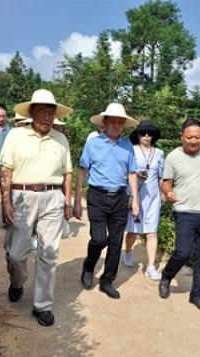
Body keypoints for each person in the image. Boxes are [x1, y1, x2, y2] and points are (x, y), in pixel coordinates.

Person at [0, 89, 73, 327]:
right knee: (16, 255)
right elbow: (6, 170)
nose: (47, 117)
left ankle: (43, 305)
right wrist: (5, 201)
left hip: (52, 198)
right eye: (42, 112)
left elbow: (67, 172)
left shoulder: (61, 139)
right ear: (31, 113)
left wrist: (67, 201)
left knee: (48, 255)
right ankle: (17, 282)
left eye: (51, 113)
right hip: (22, 197)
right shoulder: (16, 136)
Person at [158, 118, 200, 312]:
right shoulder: (173, 157)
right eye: (189, 137)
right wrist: (168, 192)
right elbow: (166, 182)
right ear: (182, 137)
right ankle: (166, 276)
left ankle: (196, 295)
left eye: (197, 137)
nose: (193, 141)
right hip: (184, 211)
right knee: (183, 251)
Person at [73, 102, 139, 300]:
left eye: (120, 122)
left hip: (120, 197)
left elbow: (132, 174)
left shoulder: (128, 146)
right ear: (105, 122)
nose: (116, 125)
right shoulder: (93, 143)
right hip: (97, 196)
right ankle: (89, 266)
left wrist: (135, 199)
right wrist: (77, 199)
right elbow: (83, 170)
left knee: (116, 242)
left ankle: (107, 281)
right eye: (113, 122)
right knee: (100, 238)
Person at [123, 120, 165, 280]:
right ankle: (127, 252)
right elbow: (127, 171)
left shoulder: (159, 153)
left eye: (149, 133)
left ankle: (150, 266)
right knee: (133, 230)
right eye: (143, 133)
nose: (146, 136)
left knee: (152, 231)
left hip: (153, 196)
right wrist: (136, 175)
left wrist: (163, 193)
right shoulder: (131, 150)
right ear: (138, 135)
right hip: (136, 195)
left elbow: (161, 175)